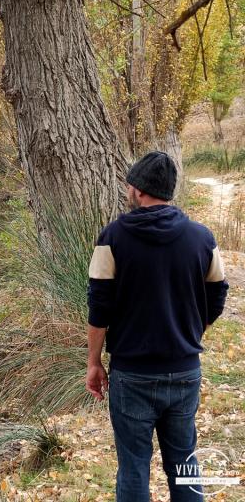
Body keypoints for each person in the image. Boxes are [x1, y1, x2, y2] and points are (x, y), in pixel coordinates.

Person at [84, 151, 228, 502]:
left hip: (132, 374)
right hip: (184, 371)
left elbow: (99, 309)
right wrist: (191, 332)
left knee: (133, 467)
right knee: (183, 464)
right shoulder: (201, 238)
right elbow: (217, 296)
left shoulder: (112, 237)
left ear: (136, 189)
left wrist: (94, 362)